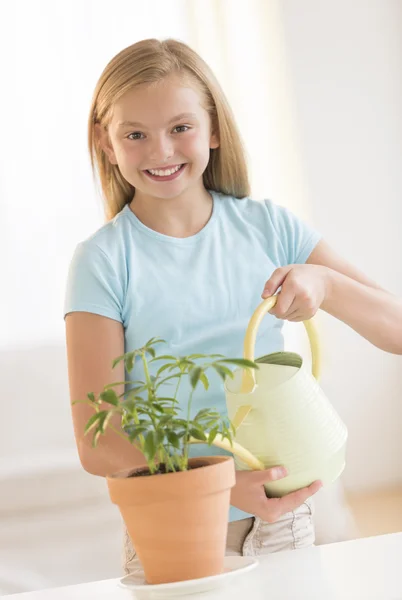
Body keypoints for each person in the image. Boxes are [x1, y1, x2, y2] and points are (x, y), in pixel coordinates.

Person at [64, 38, 402, 570]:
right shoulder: (103, 261)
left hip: (284, 514)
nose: (161, 151)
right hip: (176, 522)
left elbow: (396, 330)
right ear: (106, 144)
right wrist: (222, 485)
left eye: (181, 128)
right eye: (135, 134)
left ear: (214, 128)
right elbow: (98, 439)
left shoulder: (269, 227)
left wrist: (327, 285)